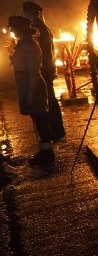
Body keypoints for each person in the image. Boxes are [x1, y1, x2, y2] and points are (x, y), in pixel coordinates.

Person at [7, 15, 55, 166]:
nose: (12, 30)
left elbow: (33, 72)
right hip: (26, 83)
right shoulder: (23, 44)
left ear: (20, 29)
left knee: (40, 119)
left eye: (13, 28)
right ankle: (44, 150)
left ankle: (48, 153)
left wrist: (30, 94)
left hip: (32, 84)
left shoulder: (30, 45)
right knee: (37, 119)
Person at [22, 1, 66, 142]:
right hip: (47, 67)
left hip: (43, 68)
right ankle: (57, 130)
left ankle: (56, 131)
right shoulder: (42, 26)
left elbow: (41, 51)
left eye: (25, 12)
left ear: (30, 13)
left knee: (48, 101)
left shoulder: (36, 27)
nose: (23, 15)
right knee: (50, 100)